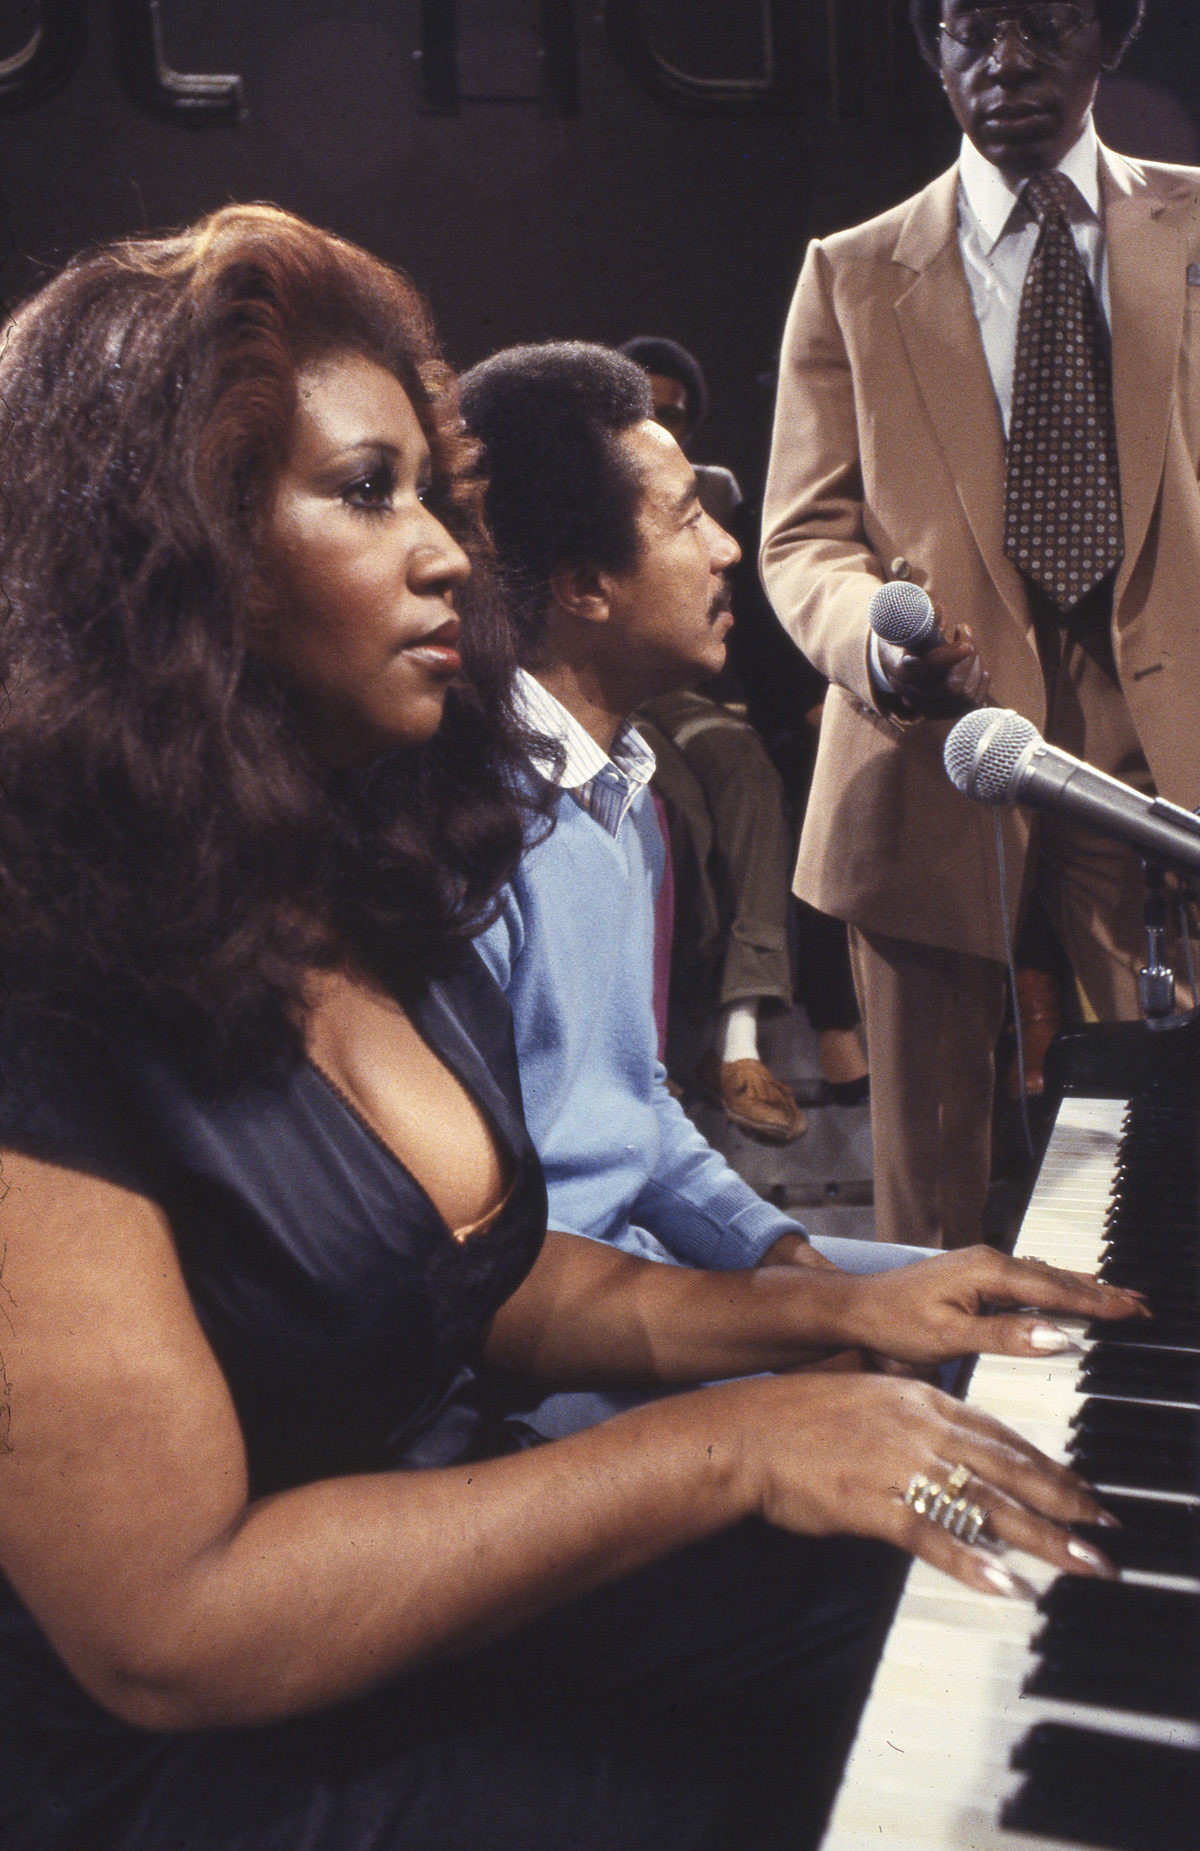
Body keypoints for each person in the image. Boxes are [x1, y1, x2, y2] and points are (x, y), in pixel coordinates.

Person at [0, 207, 1145, 1851]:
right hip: (204, 1768)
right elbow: (174, 1631)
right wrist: (734, 1450)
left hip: (434, 1598)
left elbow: (500, 1281)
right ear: (171, 548)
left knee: (981, 1605)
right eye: (363, 489)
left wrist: (843, 1314)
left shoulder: (369, 880)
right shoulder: (40, 996)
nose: (452, 554)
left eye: (432, 491)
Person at [761, 0, 1200, 1248]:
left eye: (1043, 27)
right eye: (969, 28)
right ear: (932, 48)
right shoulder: (851, 270)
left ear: (1109, 40)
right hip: (932, 751)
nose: (1002, 61)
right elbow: (802, 538)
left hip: (1159, 762)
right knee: (928, 1195)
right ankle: (922, 1424)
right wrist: (875, 647)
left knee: (1177, 1152)